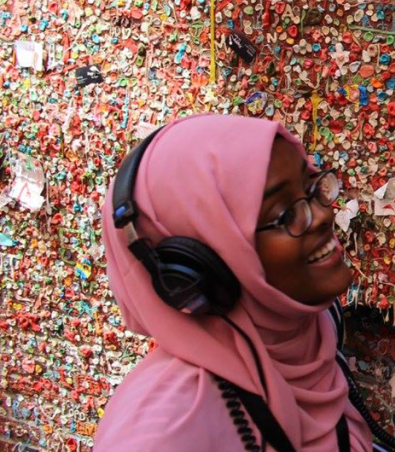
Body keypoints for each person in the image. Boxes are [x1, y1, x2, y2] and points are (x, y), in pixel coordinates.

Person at [95, 114, 373, 452]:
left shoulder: (314, 335)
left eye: (312, 188)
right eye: (283, 214)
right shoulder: (163, 431)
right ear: (199, 267)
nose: (325, 215)